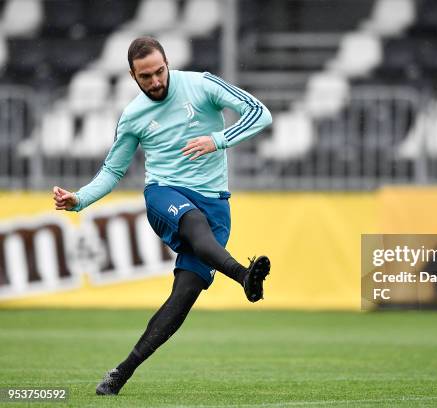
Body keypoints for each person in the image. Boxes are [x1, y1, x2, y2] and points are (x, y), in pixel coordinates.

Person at [52, 36, 273, 396]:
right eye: (145, 77)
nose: (155, 81)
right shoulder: (134, 116)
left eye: (159, 72)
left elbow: (259, 112)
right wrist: (79, 199)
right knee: (193, 223)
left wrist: (218, 139)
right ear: (132, 76)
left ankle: (120, 374)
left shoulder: (201, 84)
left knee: (181, 298)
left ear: (168, 63)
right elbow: (113, 171)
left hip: (216, 202)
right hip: (165, 194)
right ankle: (243, 274)